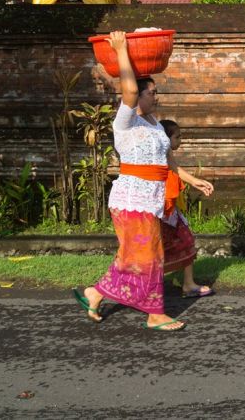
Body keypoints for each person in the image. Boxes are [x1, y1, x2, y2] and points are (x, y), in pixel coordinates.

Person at [72, 30, 214, 331]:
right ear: (139, 95)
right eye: (152, 92)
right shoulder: (124, 121)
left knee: (147, 252)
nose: (156, 96)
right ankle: (155, 314)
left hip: (155, 197)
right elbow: (129, 91)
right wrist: (122, 50)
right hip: (132, 199)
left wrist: (192, 179)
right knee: (148, 255)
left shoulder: (154, 125)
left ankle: (95, 293)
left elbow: (168, 161)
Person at [159, 119, 214, 298]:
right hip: (159, 210)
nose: (180, 140)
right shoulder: (154, 154)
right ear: (166, 139)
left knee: (186, 240)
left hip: (170, 212)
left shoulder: (166, 155)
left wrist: (196, 182)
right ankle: (148, 287)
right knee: (154, 249)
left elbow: (174, 168)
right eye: (177, 137)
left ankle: (188, 284)